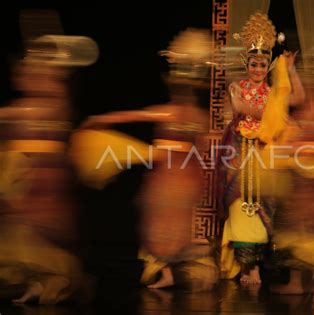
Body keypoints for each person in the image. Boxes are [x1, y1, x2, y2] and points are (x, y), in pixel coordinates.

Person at [73, 29, 218, 292]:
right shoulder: (176, 113)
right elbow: (135, 115)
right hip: (168, 178)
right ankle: (167, 271)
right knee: (160, 221)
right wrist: (103, 120)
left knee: (172, 223)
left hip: (180, 179)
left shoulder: (188, 115)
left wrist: (103, 120)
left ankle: (173, 271)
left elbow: (204, 145)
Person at [218, 12, 305, 285]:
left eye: (263, 64)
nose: (257, 69)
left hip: (266, 155)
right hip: (239, 152)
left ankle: (256, 266)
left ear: (268, 66)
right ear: (247, 63)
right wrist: (272, 113)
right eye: (254, 63)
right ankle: (248, 269)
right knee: (239, 206)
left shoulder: (274, 92)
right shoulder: (237, 87)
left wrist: (290, 69)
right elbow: (242, 109)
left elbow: (299, 98)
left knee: (262, 207)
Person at [0, 53, 89, 304]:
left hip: (45, 192)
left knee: (34, 242)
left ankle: (47, 282)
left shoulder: (53, 107)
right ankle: (37, 283)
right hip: (25, 189)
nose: (24, 78)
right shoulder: (32, 108)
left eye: (33, 73)